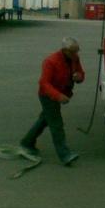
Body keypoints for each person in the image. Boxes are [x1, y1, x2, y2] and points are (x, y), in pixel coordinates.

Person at [20, 37, 84, 166]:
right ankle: (65, 155)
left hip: (62, 93)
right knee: (56, 124)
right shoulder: (50, 61)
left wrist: (79, 77)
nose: (76, 54)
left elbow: (81, 73)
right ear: (65, 50)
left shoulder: (74, 59)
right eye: (73, 51)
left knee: (44, 119)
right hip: (48, 96)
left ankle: (27, 142)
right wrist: (58, 96)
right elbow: (44, 83)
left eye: (77, 51)